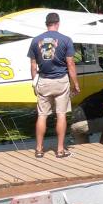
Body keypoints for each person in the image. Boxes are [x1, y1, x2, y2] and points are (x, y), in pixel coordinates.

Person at [27, 12, 81, 158]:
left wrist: (34, 83)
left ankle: (39, 150)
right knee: (61, 114)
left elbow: (33, 66)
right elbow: (70, 64)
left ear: (46, 23)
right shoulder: (66, 40)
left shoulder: (35, 41)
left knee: (42, 115)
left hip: (43, 81)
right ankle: (60, 150)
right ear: (57, 23)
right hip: (61, 81)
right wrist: (75, 84)